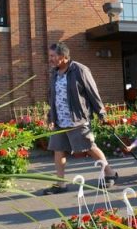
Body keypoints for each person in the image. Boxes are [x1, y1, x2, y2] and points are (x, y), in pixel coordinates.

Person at [45, 42, 118, 194]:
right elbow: (52, 96)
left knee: (90, 147)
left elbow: (92, 92)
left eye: (53, 56)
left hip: (77, 119)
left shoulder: (79, 70)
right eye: (50, 56)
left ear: (63, 56)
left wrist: (101, 113)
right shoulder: (54, 73)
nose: (50, 59)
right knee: (58, 150)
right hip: (59, 120)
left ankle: (109, 173)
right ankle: (61, 184)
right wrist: (51, 116)